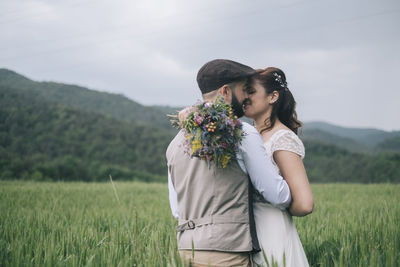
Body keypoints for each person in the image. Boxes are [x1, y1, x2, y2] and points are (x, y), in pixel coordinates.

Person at [166, 59, 292, 267]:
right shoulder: (242, 133)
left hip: (186, 251)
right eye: (244, 89)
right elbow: (277, 195)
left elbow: (177, 210)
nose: (246, 97)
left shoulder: (175, 142)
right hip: (227, 253)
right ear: (225, 91)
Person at [243, 67, 314, 267]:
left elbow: (305, 203)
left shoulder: (281, 138)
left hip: (272, 236)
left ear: (273, 96)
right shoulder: (250, 136)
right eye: (243, 91)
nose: (244, 97)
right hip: (243, 238)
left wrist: (274, 206)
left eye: (251, 91)